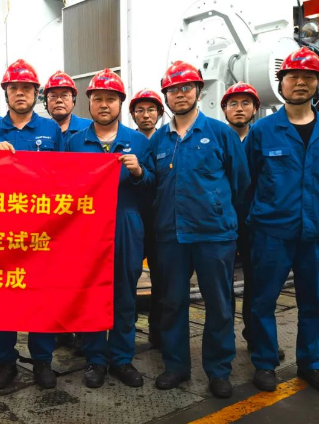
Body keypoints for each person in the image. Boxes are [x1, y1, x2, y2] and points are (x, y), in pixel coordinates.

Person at [147, 61, 249, 399]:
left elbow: (240, 183)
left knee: (219, 305)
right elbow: (152, 185)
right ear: (166, 96)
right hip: (171, 237)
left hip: (214, 236)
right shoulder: (158, 140)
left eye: (186, 88)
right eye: (173, 89)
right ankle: (176, 366)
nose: (180, 94)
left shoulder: (221, 134)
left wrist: (222, 216)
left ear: (198, 92)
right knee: (172, 303)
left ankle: (219, 370)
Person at [246, 47, 319, 394]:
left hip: (315, 233)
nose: (300, 82)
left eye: (308, 77)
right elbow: (248, 181)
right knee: (263, 301)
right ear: (281, 83)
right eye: (293, 77)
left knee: (313, 303)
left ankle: (310, 364)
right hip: (272, 233)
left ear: (318, 84)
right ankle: (265, 363)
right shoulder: (263, 130)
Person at [0, 59, 63, 389]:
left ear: (36, 93)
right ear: (6, 93)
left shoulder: (51, 131)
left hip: (43, 230)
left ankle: (42, 362)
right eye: (14, 88)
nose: (20, 93)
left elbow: (67, 178)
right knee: (3, 298)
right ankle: (5, 362)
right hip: (3, 231)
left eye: (27, 88)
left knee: (42, 296)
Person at [67, 69, 151, 388]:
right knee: (91, 294)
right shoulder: (75, 143)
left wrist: (140, 172)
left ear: (120, 103)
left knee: (125, 295)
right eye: (98, 98)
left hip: (126, 223)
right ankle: (95, 359)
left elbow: (154, 188)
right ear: (89, 103)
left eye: (111, 99)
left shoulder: (138, 142)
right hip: (87, 228)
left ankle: (122, 359)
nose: (104, 104)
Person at [220, 82, 286, 360]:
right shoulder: (216, 138)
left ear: (256, 108)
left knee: (257, 283)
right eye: (233, 104)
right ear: (224, 109)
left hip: (256, 223)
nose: (239, 108)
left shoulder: (264, 139)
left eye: (245, 103)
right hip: (221, 223)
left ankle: (256, 336)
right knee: (222, 285)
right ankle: (223, 341)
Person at [128, 89, 165, 348]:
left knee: (161, 278)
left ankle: (158, 330)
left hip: (161, 221)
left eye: (151, 109)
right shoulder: (128, 142)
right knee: (128, 275)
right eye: (140, 110)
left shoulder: (168, 140)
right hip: (132, 220)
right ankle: (126, 331)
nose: (146, 115)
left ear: (160, 113)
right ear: (133, 114)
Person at [43, 70, 91, 144]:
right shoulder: (40, 131)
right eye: (53, 96)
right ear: (46, 101)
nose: (59, 100)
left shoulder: (90, 128)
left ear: (73, 100)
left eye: (64, 95)